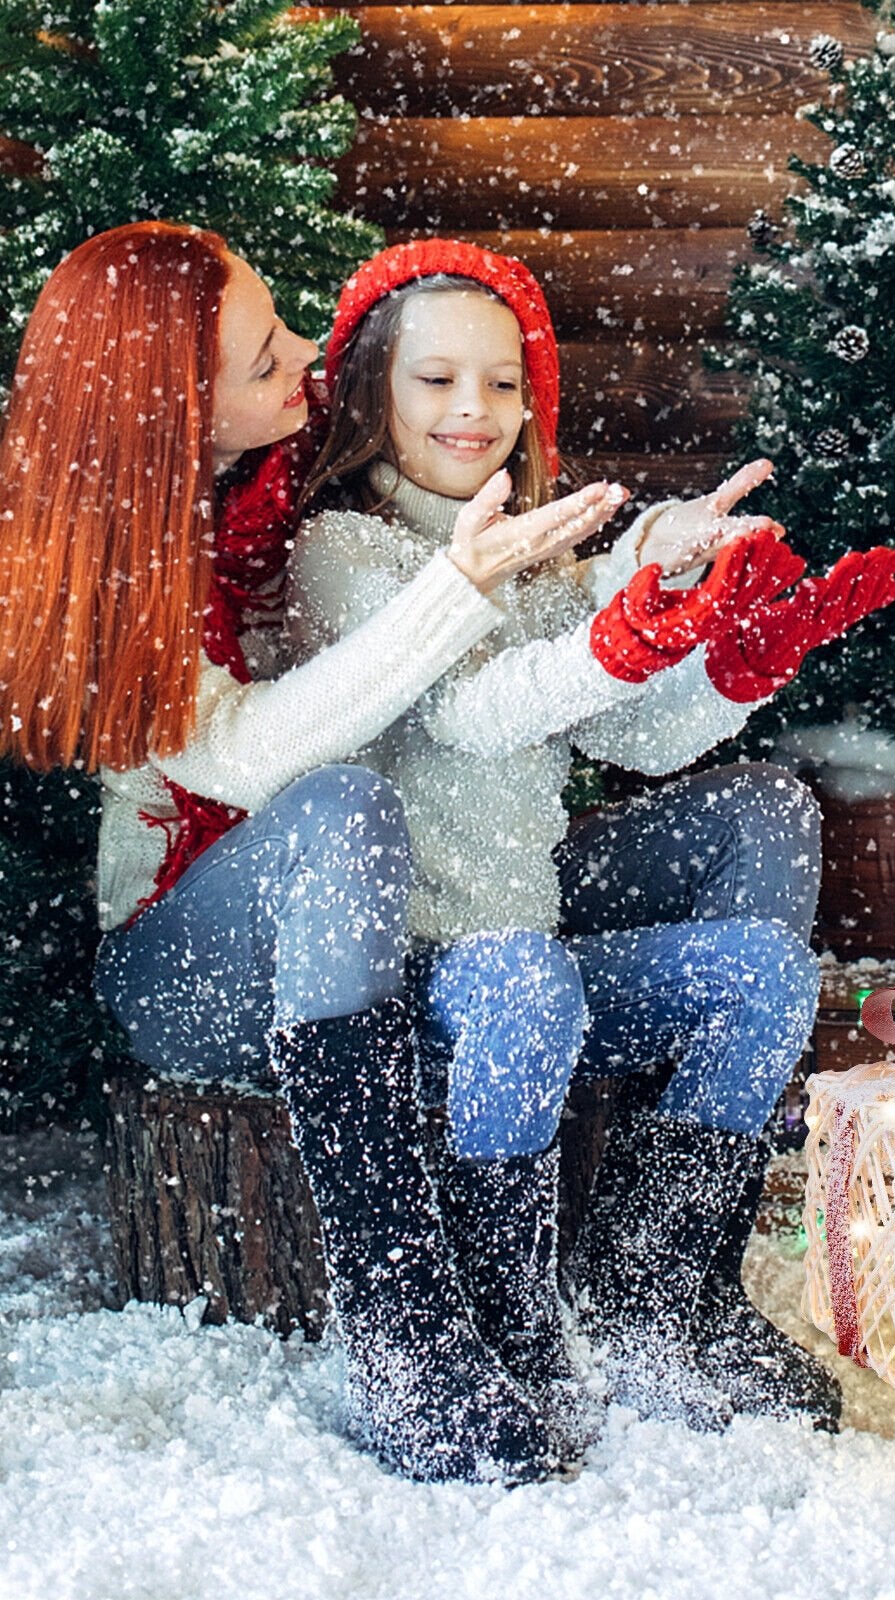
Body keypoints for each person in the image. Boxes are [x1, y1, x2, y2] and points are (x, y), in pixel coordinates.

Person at [0, 221, 704, 1485]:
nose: (309, 357)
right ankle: (399, 1322)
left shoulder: (278, 493)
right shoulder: (135, 557)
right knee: (339, 810)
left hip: (356, 935)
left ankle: (604, 1289)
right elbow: (257, 762)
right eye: (268, 352)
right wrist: (463, 586)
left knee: (375, 829)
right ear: (177, 404)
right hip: (186, 967)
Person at [288, 239, 895, 1434]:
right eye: (437, 381)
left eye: (504, 383)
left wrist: (729, 657)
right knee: (521, 974)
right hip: (411, 983)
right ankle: (500, 1312)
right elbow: (472, 712)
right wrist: (619, 622)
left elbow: (637, 740)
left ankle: (654, 1284)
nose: (477, 410)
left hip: (527, 946)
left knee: (765, 967)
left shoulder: (533, 556)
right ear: (370, 392)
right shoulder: (345, 553)